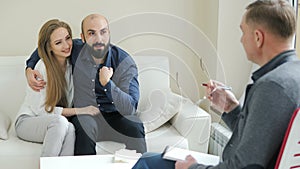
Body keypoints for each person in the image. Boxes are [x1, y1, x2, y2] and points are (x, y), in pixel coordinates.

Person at [132, 0, 300, 168]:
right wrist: (232, 109)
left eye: (243, 32)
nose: (241, 40)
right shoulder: (292, 75)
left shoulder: (271, 87)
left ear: (258, 37)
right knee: (149, 158)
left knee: (146, 162)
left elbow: (244, 166)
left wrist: (193, 168)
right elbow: (259, 140)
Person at [25, 14, 147, 155]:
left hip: (116, 116)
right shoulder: (74, 49)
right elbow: (46, 46)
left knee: (134, 125)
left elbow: (130, 108)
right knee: (84, 126)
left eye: (103, 32)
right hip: (86, 116)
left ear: (109, 33)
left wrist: (107, 84)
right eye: (91, 33)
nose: (99, 39)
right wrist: (29, 67)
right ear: (82, 38)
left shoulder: (124, 62)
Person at [15, 19, 99, 157]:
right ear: (49, 47)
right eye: (58, 42)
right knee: (59, 122)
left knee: (71, 128)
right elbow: (42, 111)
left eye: (67, 38)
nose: (66, 45)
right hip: (28, 121)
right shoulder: (41, 67)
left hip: (54, 122)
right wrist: (81, 110)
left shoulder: (72, 66)